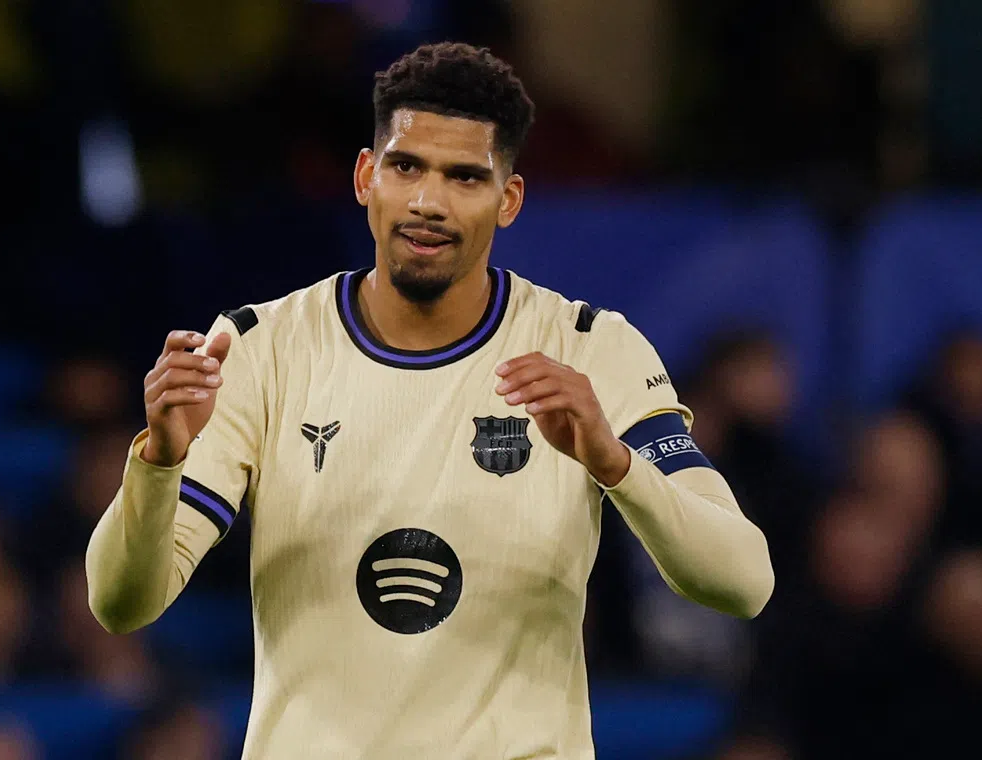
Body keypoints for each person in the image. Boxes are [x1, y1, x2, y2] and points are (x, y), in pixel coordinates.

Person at [86, 42, 773, 758]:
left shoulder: (591, 349)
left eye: (465, 177)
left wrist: (614, 463)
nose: (427, 201)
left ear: (508, 200)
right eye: (406, 166)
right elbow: (122, 602)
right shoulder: (260, 349)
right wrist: (160, 460)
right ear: (365, 176)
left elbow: (743, 581)